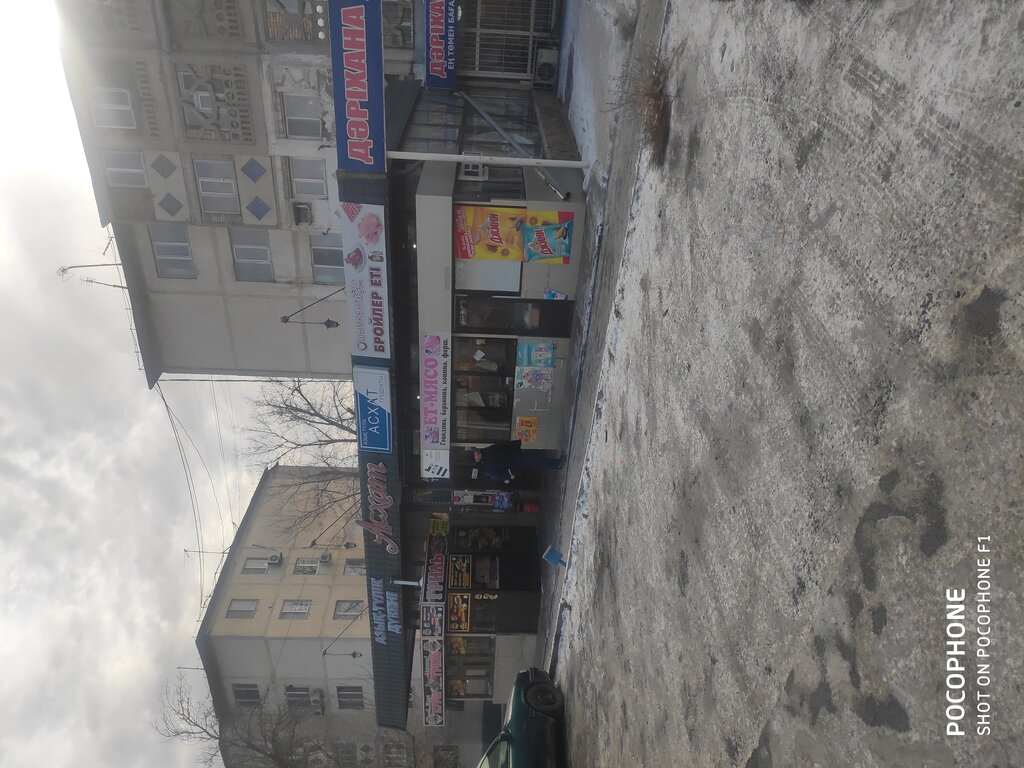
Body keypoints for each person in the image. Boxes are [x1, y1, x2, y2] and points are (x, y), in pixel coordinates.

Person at [472, 440, 563, 484]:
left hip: (514, 456)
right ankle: (557, 463)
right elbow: (498, 475)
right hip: (514, 463)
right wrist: (510, 472)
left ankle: (556, 464)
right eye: (475, 454)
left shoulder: (486, 451)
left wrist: (515, 444)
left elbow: (502, 446)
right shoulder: (486, 467)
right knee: (535, 461)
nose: (476, 452)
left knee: (535, 460)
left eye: (475, 451)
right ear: (475, 459)